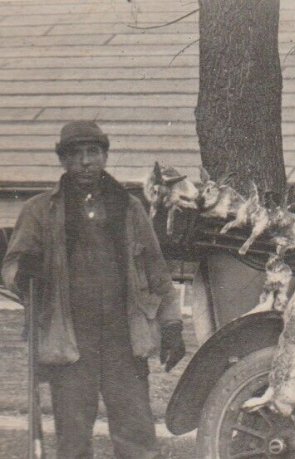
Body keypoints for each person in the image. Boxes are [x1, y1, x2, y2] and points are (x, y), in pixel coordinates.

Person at [2, 121, 186, 458]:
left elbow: (157, 274)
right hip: (70, 342)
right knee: (72, 441)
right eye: (76, 154)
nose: (85, 161)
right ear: (63, 160)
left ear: (104, 156)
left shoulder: (129, 209)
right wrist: (25, 270)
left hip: (123, 339)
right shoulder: (40, 211)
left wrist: (172, 325)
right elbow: (11, 270)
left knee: (137, 438)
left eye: (93, 152)